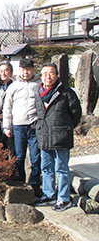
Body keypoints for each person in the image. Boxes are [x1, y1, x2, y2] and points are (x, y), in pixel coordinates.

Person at [35, 63, 82, 212]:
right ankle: (49, 195)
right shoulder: (39, 91)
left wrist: (65, 128)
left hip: (61, 136)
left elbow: (76, 114)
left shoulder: (66, 92)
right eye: (44, 74)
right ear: (41, 76)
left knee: (61, 168)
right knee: (46, 168)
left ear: (57, 75)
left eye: (51, 73)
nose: (48, 77)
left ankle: (63, 198)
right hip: (44, 135)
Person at [3, 58, 42, 196]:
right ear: (19, 70)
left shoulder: (40, 84)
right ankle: (20, 184)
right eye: (23, 69)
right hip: (18, 125)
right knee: (19, 157)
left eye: (28, 69)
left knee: (35, 157)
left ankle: (35, 185)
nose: (26, 72)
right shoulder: (14, 86)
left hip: (35, 125)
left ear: (33, 69)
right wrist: (7, 127)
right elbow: (7, 107)